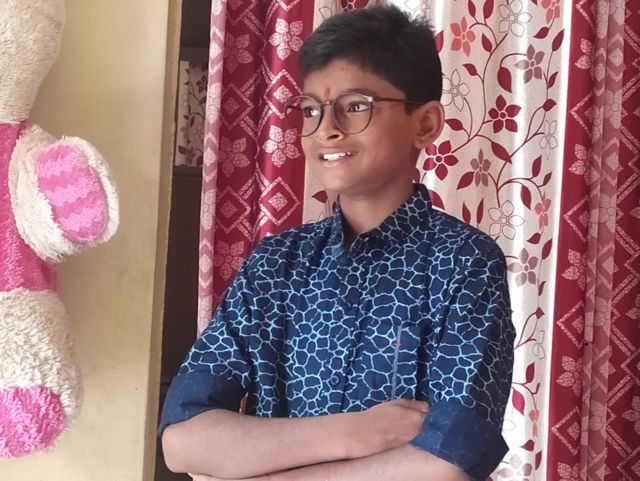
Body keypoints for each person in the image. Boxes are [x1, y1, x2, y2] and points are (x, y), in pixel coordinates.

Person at [160, 5, 515, 481]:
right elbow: (183, 438)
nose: (326, 128)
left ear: (425, 124)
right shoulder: (276, 265)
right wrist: (354, 432)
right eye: (311, 109)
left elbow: (448, 462)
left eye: (356, 106)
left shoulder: (463, 262)